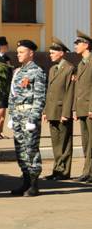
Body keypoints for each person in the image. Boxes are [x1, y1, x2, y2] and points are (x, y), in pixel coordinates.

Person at [8, 39, 46, 197]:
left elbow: (39, 97)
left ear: (31, 53)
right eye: (18, 52)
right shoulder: (18, 72)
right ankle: (25, 181)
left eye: (22, 52)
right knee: (20, 150)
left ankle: (34, 184)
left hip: (29, 116)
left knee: (31, 150)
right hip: (18, 116)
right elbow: (12, 96)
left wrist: (33, 118)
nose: (18, 55)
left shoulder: (37, 71)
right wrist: (11, 115)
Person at [42, 37, 75, 181]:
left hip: (62, 111)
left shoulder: (69, 68)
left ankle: (64, 171)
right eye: (50, 53)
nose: (50, 55)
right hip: (52, 110)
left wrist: (66, 113)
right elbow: (49, 92)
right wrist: (45, 110)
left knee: (64, 142)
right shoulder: (52, 69)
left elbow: (70, 92)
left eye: (53, 53)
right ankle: (56, 170)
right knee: (56, 143)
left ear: (61, 53)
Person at [72, 30, 92, 183]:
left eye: (77, 43)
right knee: (86, 142)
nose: (75, 46)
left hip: (90, 108)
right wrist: (75, 108)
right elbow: (78, 88)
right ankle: (87, 171)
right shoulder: (81, 63)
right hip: (82, 108)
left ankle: (89, 172)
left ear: (86, 45)